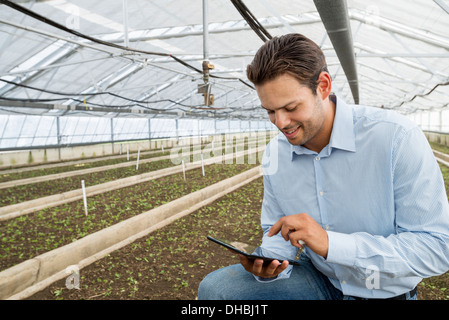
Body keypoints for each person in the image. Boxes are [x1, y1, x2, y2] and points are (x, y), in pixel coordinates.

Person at [197, 33, 449, 300]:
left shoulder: (395, 138)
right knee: (217, 291)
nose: (280, 123)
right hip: (322, 279)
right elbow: (275, 228)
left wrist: (332, 244)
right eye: (270, 111)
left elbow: (436, 247)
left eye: (290, 107)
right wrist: (270, 262)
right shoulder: (276, 153)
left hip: (382, 290)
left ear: (323, 86)